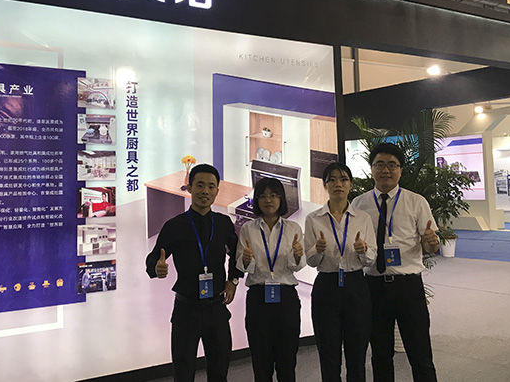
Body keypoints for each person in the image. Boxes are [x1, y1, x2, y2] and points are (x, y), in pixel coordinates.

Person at [350, 142, 440, 382]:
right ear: (371, 168)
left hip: (407, 286)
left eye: (392, 165)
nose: (386, 170)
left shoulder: (416, 202)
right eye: (380, 164)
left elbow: (431, 246)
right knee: (380, 355)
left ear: (401, 170)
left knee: (420, 353)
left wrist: (431, 242)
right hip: (374, 287)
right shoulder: (358, 204)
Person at [145, 163, 241, 382]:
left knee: (219, 370)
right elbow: (153, 258)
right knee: (183, 371)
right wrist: (156, 268)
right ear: (189, 188)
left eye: (211, 186)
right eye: (199, 185)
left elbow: (236, 253)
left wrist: (233, 280)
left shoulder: (223, 223)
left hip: (217, 308)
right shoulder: (175, 226)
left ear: (217, 191)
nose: (205, 191)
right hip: (186, 309)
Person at [304, 162, 377, 382]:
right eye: (332, 179)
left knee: (357, 351)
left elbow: (372, 257)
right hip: (326, 286)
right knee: (328, 352)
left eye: (344, 179)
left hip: (356, 286)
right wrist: (317, 250)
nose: (338, 184)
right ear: (325, 185)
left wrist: (363, 250)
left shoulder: (362, 218)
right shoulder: (313, 218)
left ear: (350, 185)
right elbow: (310, 261)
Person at [236, 177, 306, 382]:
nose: (268, 200)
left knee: (287, 360)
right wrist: (246, 259)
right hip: (258, 298)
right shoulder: (248, 228)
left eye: (273, 195)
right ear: (256, 200)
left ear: (281, 199)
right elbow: (243, 266)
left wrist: (297, 255)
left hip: (286, 298)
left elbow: (297, 267)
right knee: (261, 361)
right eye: (263, 196)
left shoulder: (293, 228)